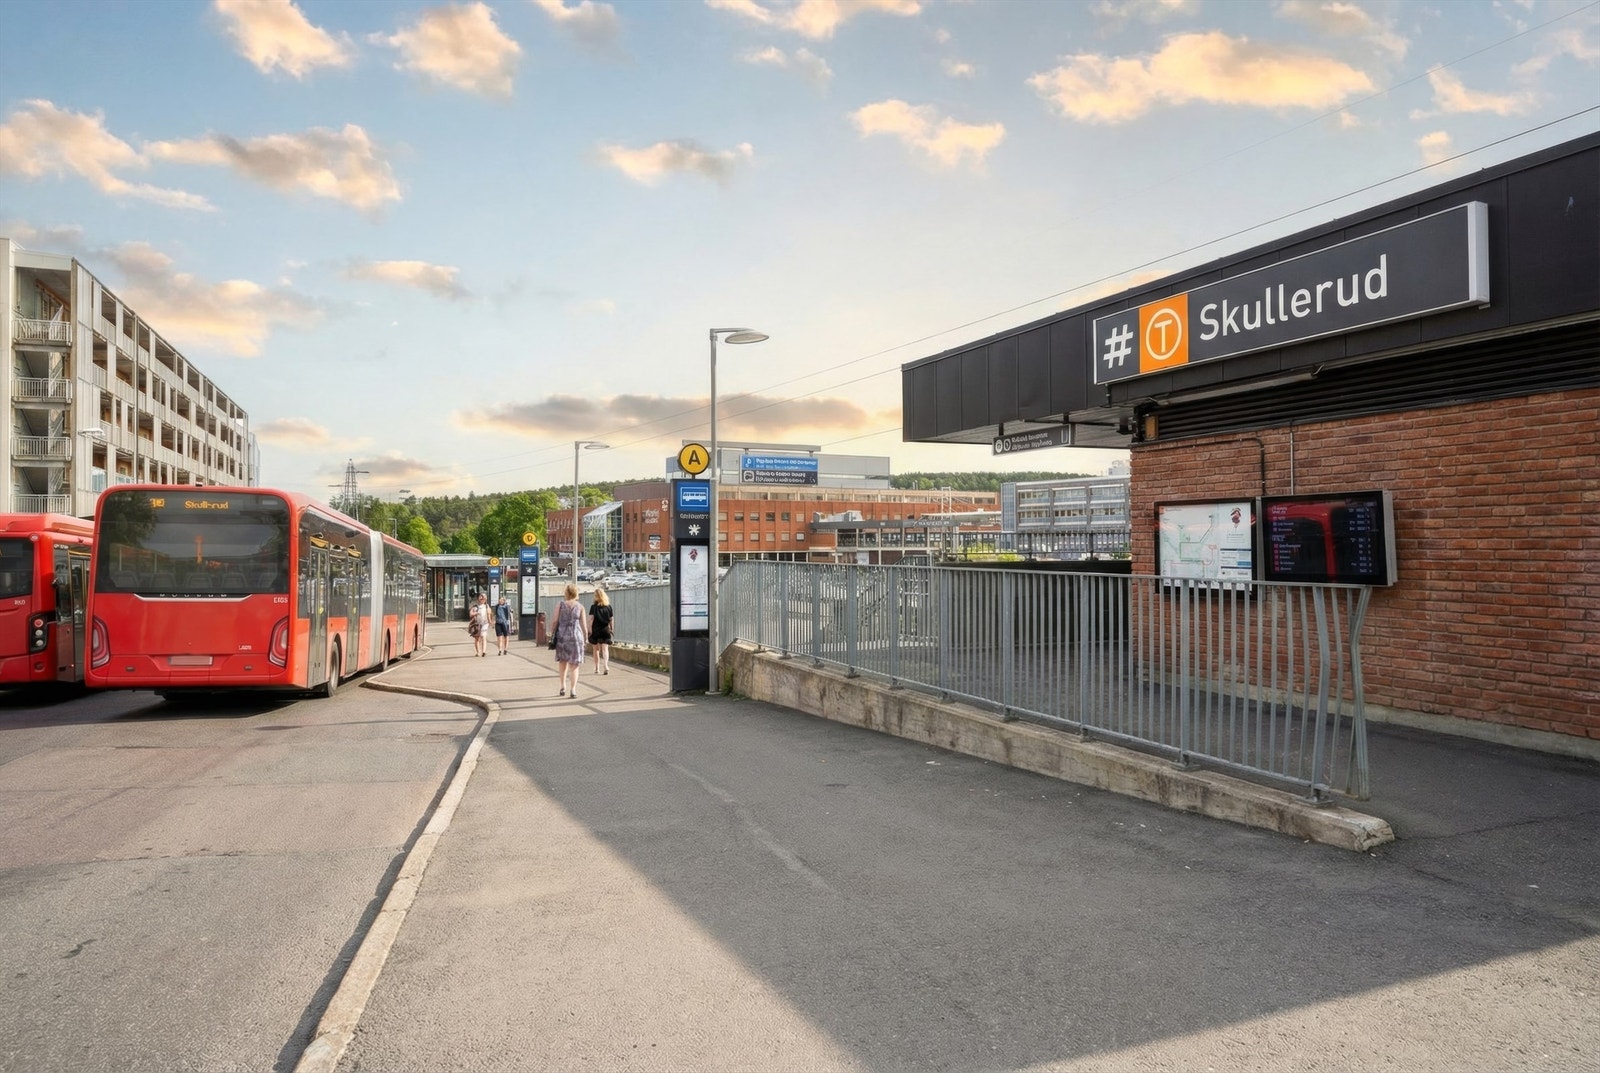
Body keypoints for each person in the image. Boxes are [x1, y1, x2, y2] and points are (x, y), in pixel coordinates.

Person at [553, 582, 589, 697]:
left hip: (562, 636)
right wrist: (585, 637)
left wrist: (553, 633)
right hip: (576, 636)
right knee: (574, 664)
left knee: (563, 662)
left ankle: (563, 686)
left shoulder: (560, 605)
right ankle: (573, 690)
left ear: (566, 593)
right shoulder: (580, 607)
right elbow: (583, 625)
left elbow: (554, 621)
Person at [589, 587, 614, 675]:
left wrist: (589, 630)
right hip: (605, 629)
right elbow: (611, 619)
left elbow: (591, 619)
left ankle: (597, 668)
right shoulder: (609, 607)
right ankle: (606, 665)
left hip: (596, 630)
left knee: (596, 649)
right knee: (605, 649)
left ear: (595, 596)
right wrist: (611, 629)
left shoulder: (593, 607)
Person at [469, 593, 490, 657]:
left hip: (485, 623)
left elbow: (490, 614)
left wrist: (490, 621)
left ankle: (484, 651)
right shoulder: (475, 606)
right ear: (478, 599)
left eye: (483, 598)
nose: (482, 600)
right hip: (477, 624)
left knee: (483, 636)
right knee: (477, 638)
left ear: (485, 599)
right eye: (481, 598)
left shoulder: (487, 606)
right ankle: (478, 652)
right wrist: (476, 613)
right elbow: (470, 614)